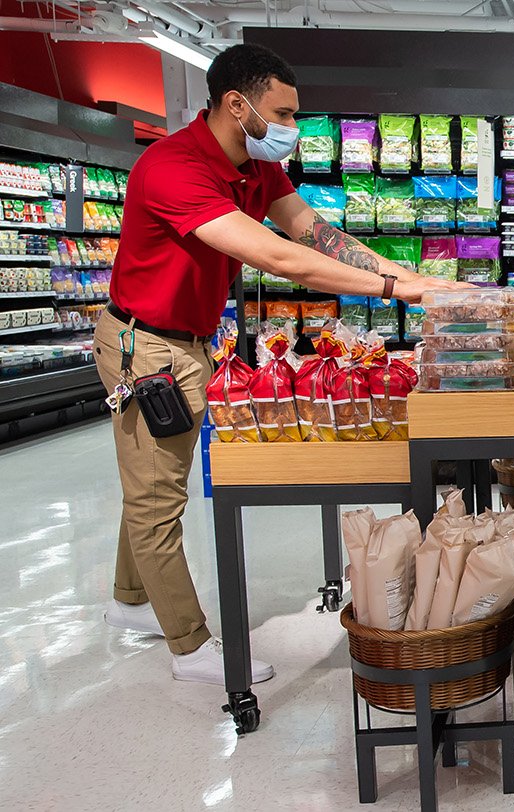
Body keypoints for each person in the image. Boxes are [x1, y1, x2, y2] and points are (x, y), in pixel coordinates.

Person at [96, 43, 466, 685]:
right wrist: (393, 291)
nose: (294, 128)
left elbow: (313, 234)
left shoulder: (254, 167)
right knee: (157, 497)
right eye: (284, 112)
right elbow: (282, 260)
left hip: (188, 341)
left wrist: (409, 275)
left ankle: (131, 602)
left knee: (159, 474)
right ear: (237, 106)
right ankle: (190, 647)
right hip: (145, 346)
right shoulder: (173, 168)